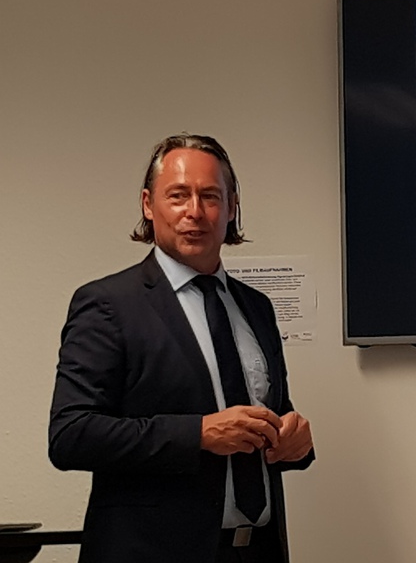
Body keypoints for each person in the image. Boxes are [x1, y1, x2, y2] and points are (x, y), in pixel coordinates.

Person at [49, 134, 314, 563]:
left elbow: (269, 415)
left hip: (257, 550)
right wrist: (198, 434)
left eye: (210, 196)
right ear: (148, 204)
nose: (195, 211)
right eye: (178, 195)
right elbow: (71, 435)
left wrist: (295, 440)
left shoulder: (256, 307)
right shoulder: (108, 304)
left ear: (232, 207)